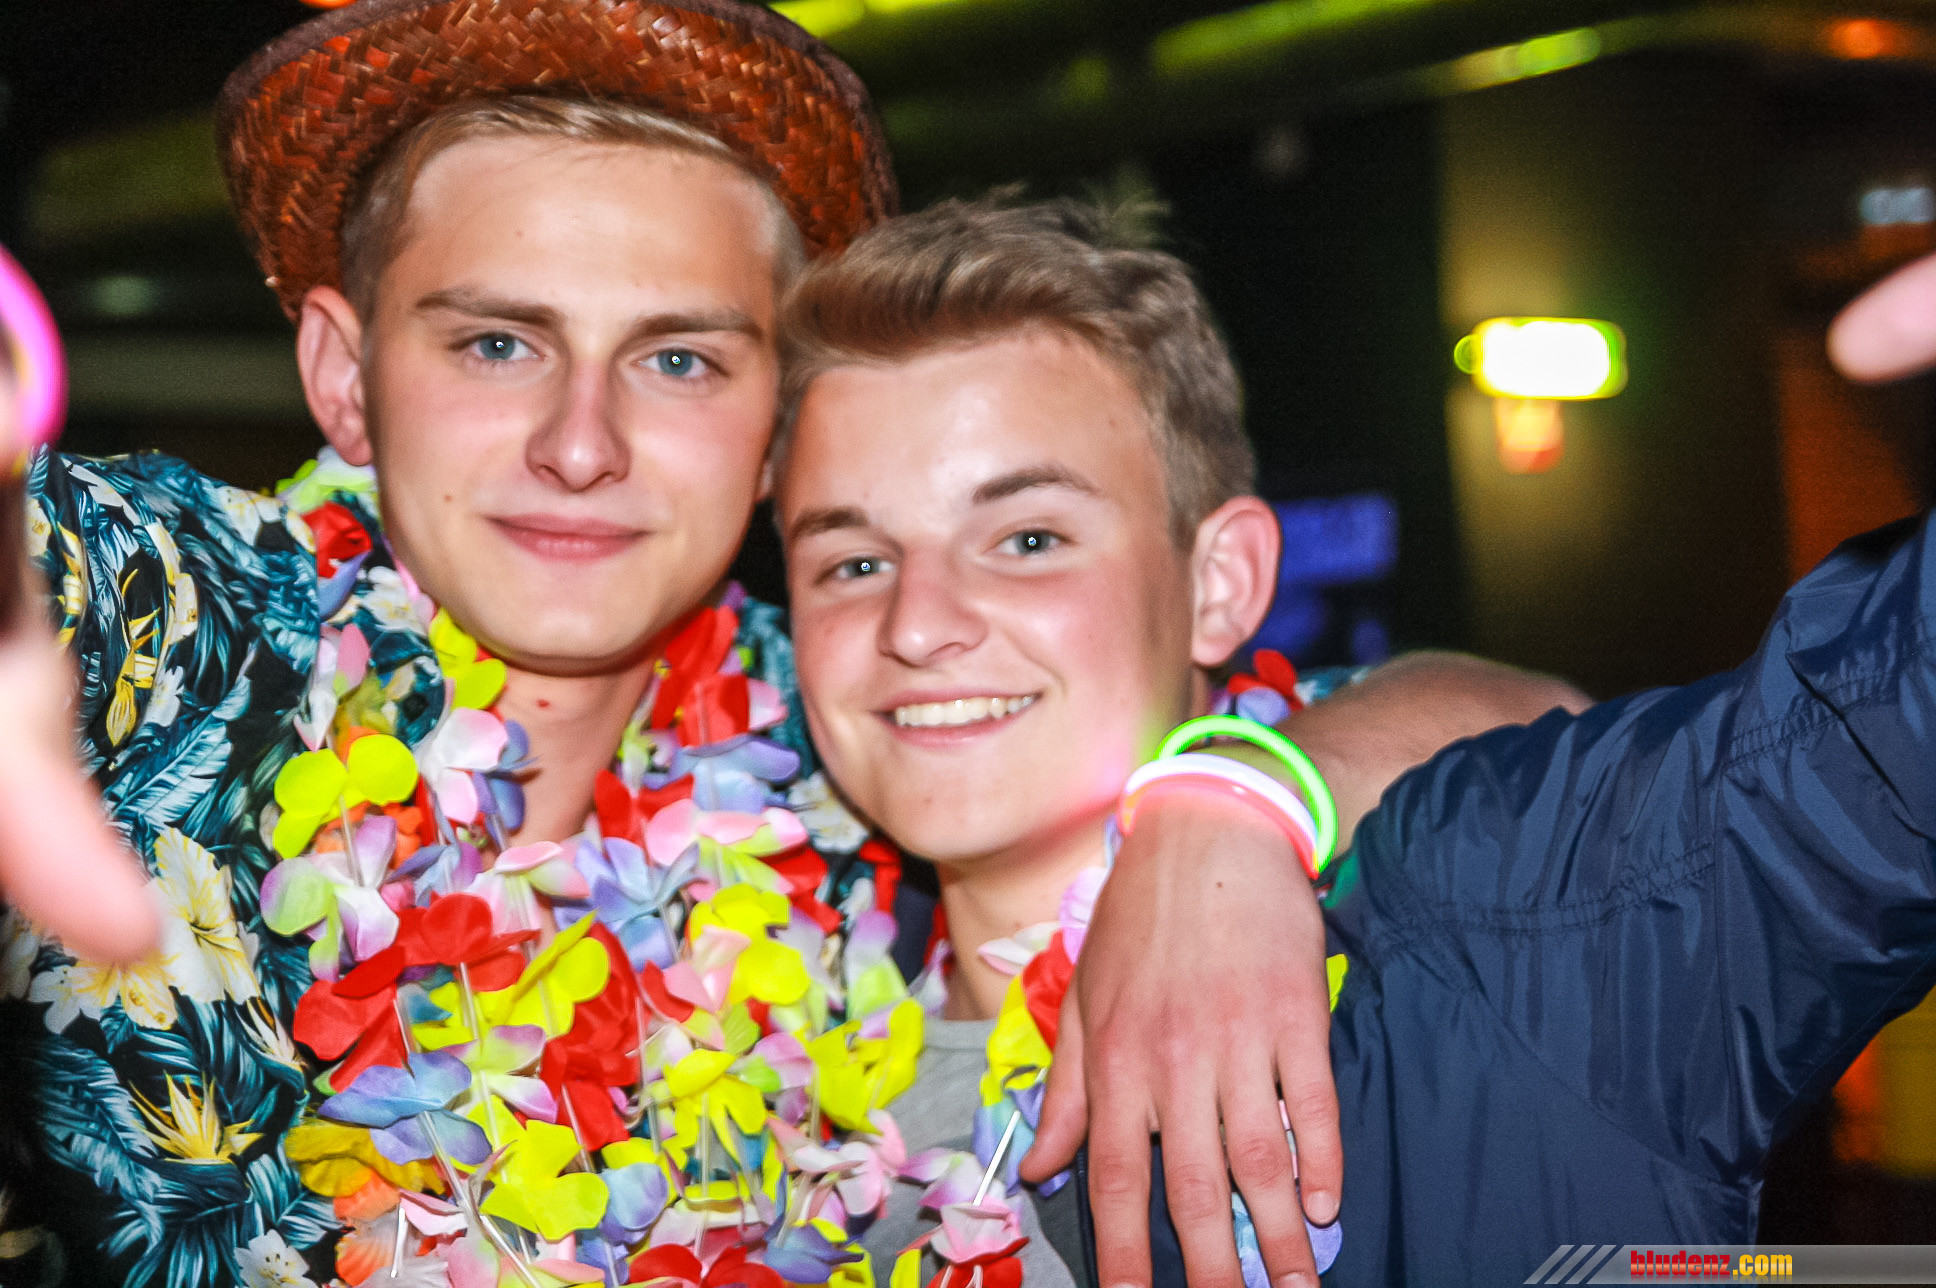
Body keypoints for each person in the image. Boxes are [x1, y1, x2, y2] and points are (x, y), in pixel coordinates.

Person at [0, 3, 1576, 1284]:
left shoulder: (835, 736)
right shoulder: (187, 625)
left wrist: (1232, 799)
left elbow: (1507, 704)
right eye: (495, 343)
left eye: (679, 360)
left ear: (776, 439)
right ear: (345, 380)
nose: (579, 444)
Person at [774, 193, 1936, 1286]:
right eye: (853, 561)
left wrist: (1238, 795)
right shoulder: (734, 1018)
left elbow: (1835, 772)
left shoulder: (1474, 958)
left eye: (1028, 539)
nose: (915, 624)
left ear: (1220, 583)